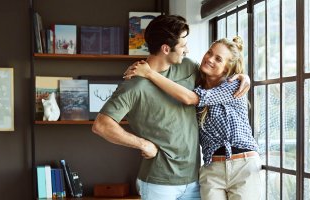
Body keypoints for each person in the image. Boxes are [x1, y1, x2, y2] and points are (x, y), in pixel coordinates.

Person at [92, 15, 251, 200]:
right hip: (158, 183)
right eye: (183, 46)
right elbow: (101, 125)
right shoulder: (134, 85)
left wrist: (241, 76)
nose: (187, 50)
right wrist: (143, 144)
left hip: (195, 180)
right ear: (166, 48)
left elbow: (216, 77)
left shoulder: (189, 67)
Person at [125, 36, 262, 200]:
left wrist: (149, 73)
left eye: (218, 59)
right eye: (209, 53)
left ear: (227, 69)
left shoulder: (233, 85)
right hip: (212, 169)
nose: (210, 59)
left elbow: (190, 99)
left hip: (243, 165)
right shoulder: (195, 85)